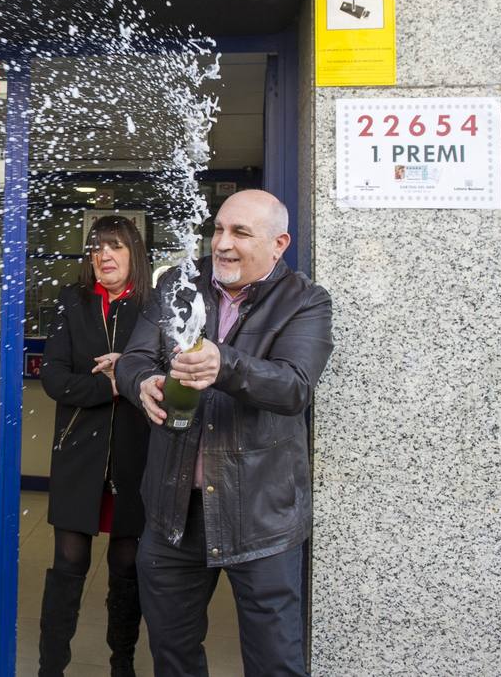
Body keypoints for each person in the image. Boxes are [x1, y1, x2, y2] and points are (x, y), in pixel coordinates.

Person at [116, 190, 333, 677]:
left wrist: (225, 363)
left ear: (279, 244)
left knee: (275, 663)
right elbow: (133, 358)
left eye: (240, 232)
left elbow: (294, 387)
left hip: (260, 517)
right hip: (174, 515)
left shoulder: (306, 300)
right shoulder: (179, 283)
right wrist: (140, 383)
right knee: (172, 658)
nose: (223, 243)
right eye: (218, 229)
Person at [38, 214, 153, 677]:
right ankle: (51, 668)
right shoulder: (73, 302)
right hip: (78, 454)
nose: (103, 255)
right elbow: (54, 378)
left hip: (136, 453)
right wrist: (111, 388)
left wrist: (127, 369)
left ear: (134, 255)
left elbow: (167, 370)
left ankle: (121, 663)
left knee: (127, 568)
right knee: (68, 561)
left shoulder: (154, 307)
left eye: (115, 247)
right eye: (96, 247)